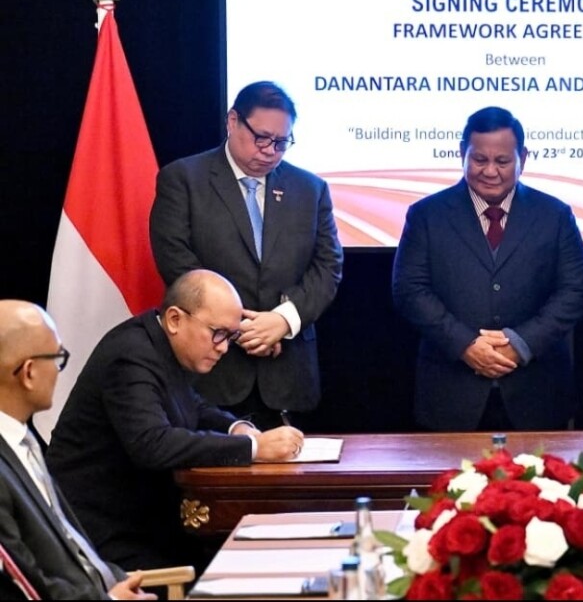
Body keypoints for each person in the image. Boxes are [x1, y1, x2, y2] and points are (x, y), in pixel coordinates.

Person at [46, 270, 305, 574]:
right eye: (218, 333)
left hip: (149, 524)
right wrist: (253, 448)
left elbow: (190, 405)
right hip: (102, 537)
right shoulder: (130, 356)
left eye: (230, 337)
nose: (224, 347)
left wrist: (237, 427)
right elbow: (152, 444)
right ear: (174, 319)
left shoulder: (161, 345)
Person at [149, 80, 344, 430]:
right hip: (212, 372)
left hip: (287, 374)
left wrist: (283, 321)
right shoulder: (184, 179)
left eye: (281, 142)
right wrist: (242, 327)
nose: (270, 151)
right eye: (262, 138)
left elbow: (328, 266)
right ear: (233, 121)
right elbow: (176, 262)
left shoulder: (310, 189)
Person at [392, 106, 583, 431]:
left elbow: (574, 292)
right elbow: (410, 291)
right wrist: (465, 345)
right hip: (451, 395)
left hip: (538, 395)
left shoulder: (555, 215)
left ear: (523, 158)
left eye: (502, 161)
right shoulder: (427, 215)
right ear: (462, 153)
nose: (490, 171)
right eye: (479, 160)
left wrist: (520, 344)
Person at [0, 299, 156, 599]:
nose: (59, 371)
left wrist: (117, 584)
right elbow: (25, 586)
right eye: (57, 358)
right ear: (29, 373)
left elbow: (73, 549)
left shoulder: (23, 443)